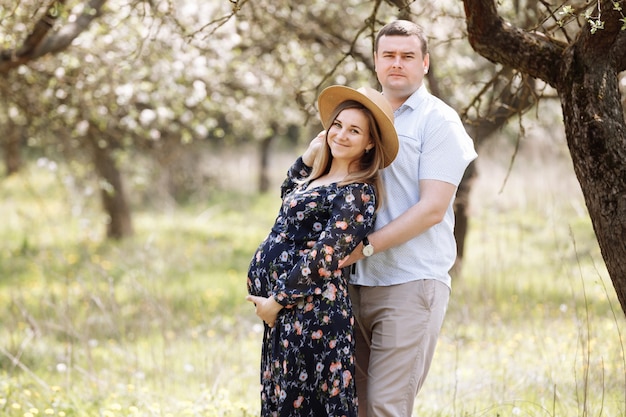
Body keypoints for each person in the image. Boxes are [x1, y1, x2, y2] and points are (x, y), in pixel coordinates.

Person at [339, 20, 478, 417]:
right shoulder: (358, 118)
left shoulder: (438, 122)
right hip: (352, 283)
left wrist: (366, 247)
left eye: (407, 56)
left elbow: (433, 208)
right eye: (389, 56)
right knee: (353, 405)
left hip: (409, 282)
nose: (397, 63)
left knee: (386, 407)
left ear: (425, 63)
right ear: (377, 62)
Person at [246, 85, 399, 417]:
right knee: (282, 399)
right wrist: (310, 154)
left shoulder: (358, 192)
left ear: (370, 142)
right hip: (289, 314)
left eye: (354, 131)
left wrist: (277, 301)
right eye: (338, 125)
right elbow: (289, 197)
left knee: (307, 404)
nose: (342, 135)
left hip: (313, 314)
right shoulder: (317, 179)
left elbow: (326, 255)